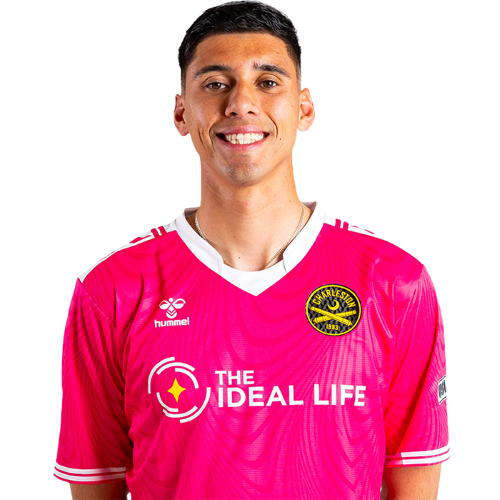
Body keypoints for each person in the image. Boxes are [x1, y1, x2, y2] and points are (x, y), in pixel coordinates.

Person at [53, 1, 450, 498]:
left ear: (304, 109)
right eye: (215, 84)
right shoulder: (111, 288)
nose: (241, 103)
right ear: (181, 112)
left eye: (267, 82)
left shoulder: (395, 280)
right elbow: (98, 484)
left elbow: (412, 484)